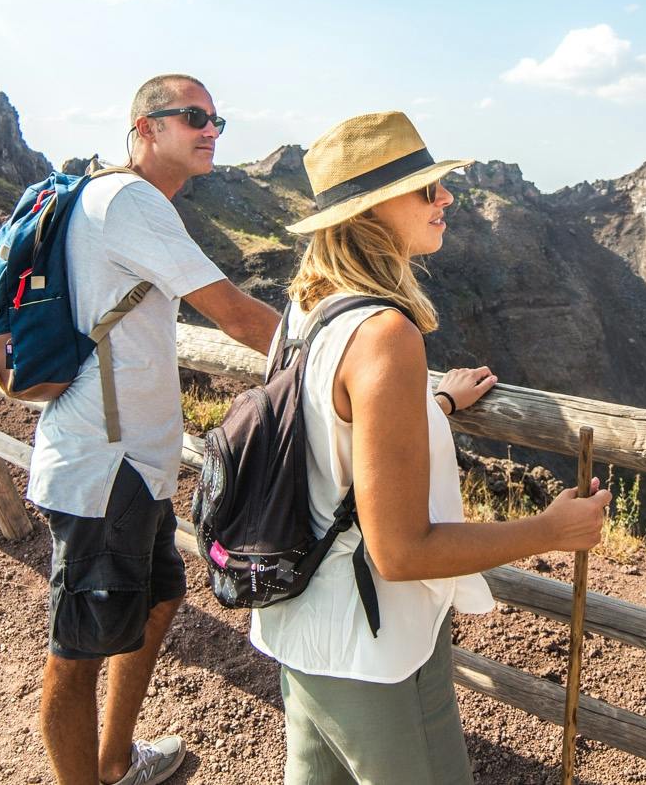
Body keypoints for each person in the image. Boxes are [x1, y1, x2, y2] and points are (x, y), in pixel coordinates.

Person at [252, 111, 611, 785]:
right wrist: (551, 528)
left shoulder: (307, 310)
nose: (445, 198)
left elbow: (339, 432)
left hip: (299, 628)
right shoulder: (386, 333)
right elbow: (402, 550)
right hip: (376, 652)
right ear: (369, 210)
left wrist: (432, 404)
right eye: (425, 188)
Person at [30, 73, 281, 785]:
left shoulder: (112, 196)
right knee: (74, 649)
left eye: (216, 119)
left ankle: (113, 760)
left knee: (163, 593)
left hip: (127, 465)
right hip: (101, 466)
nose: (211, 130)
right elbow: (232, 312)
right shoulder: (132, 201)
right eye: (193, 116)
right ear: (145, 127)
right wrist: (348, 356)